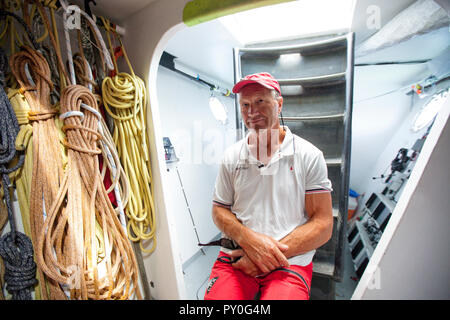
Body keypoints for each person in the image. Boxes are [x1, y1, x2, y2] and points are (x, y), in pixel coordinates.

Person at [203, 72, 333, 300]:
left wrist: (264, 255)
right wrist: (247, 240)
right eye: (245, 105)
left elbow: (323, 224)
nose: (252, 112)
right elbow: (219, 210)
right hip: (237, 256)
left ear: (279, 104)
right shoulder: (232, 156)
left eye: (260, 102)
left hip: (290, 261)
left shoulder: (309, 155)